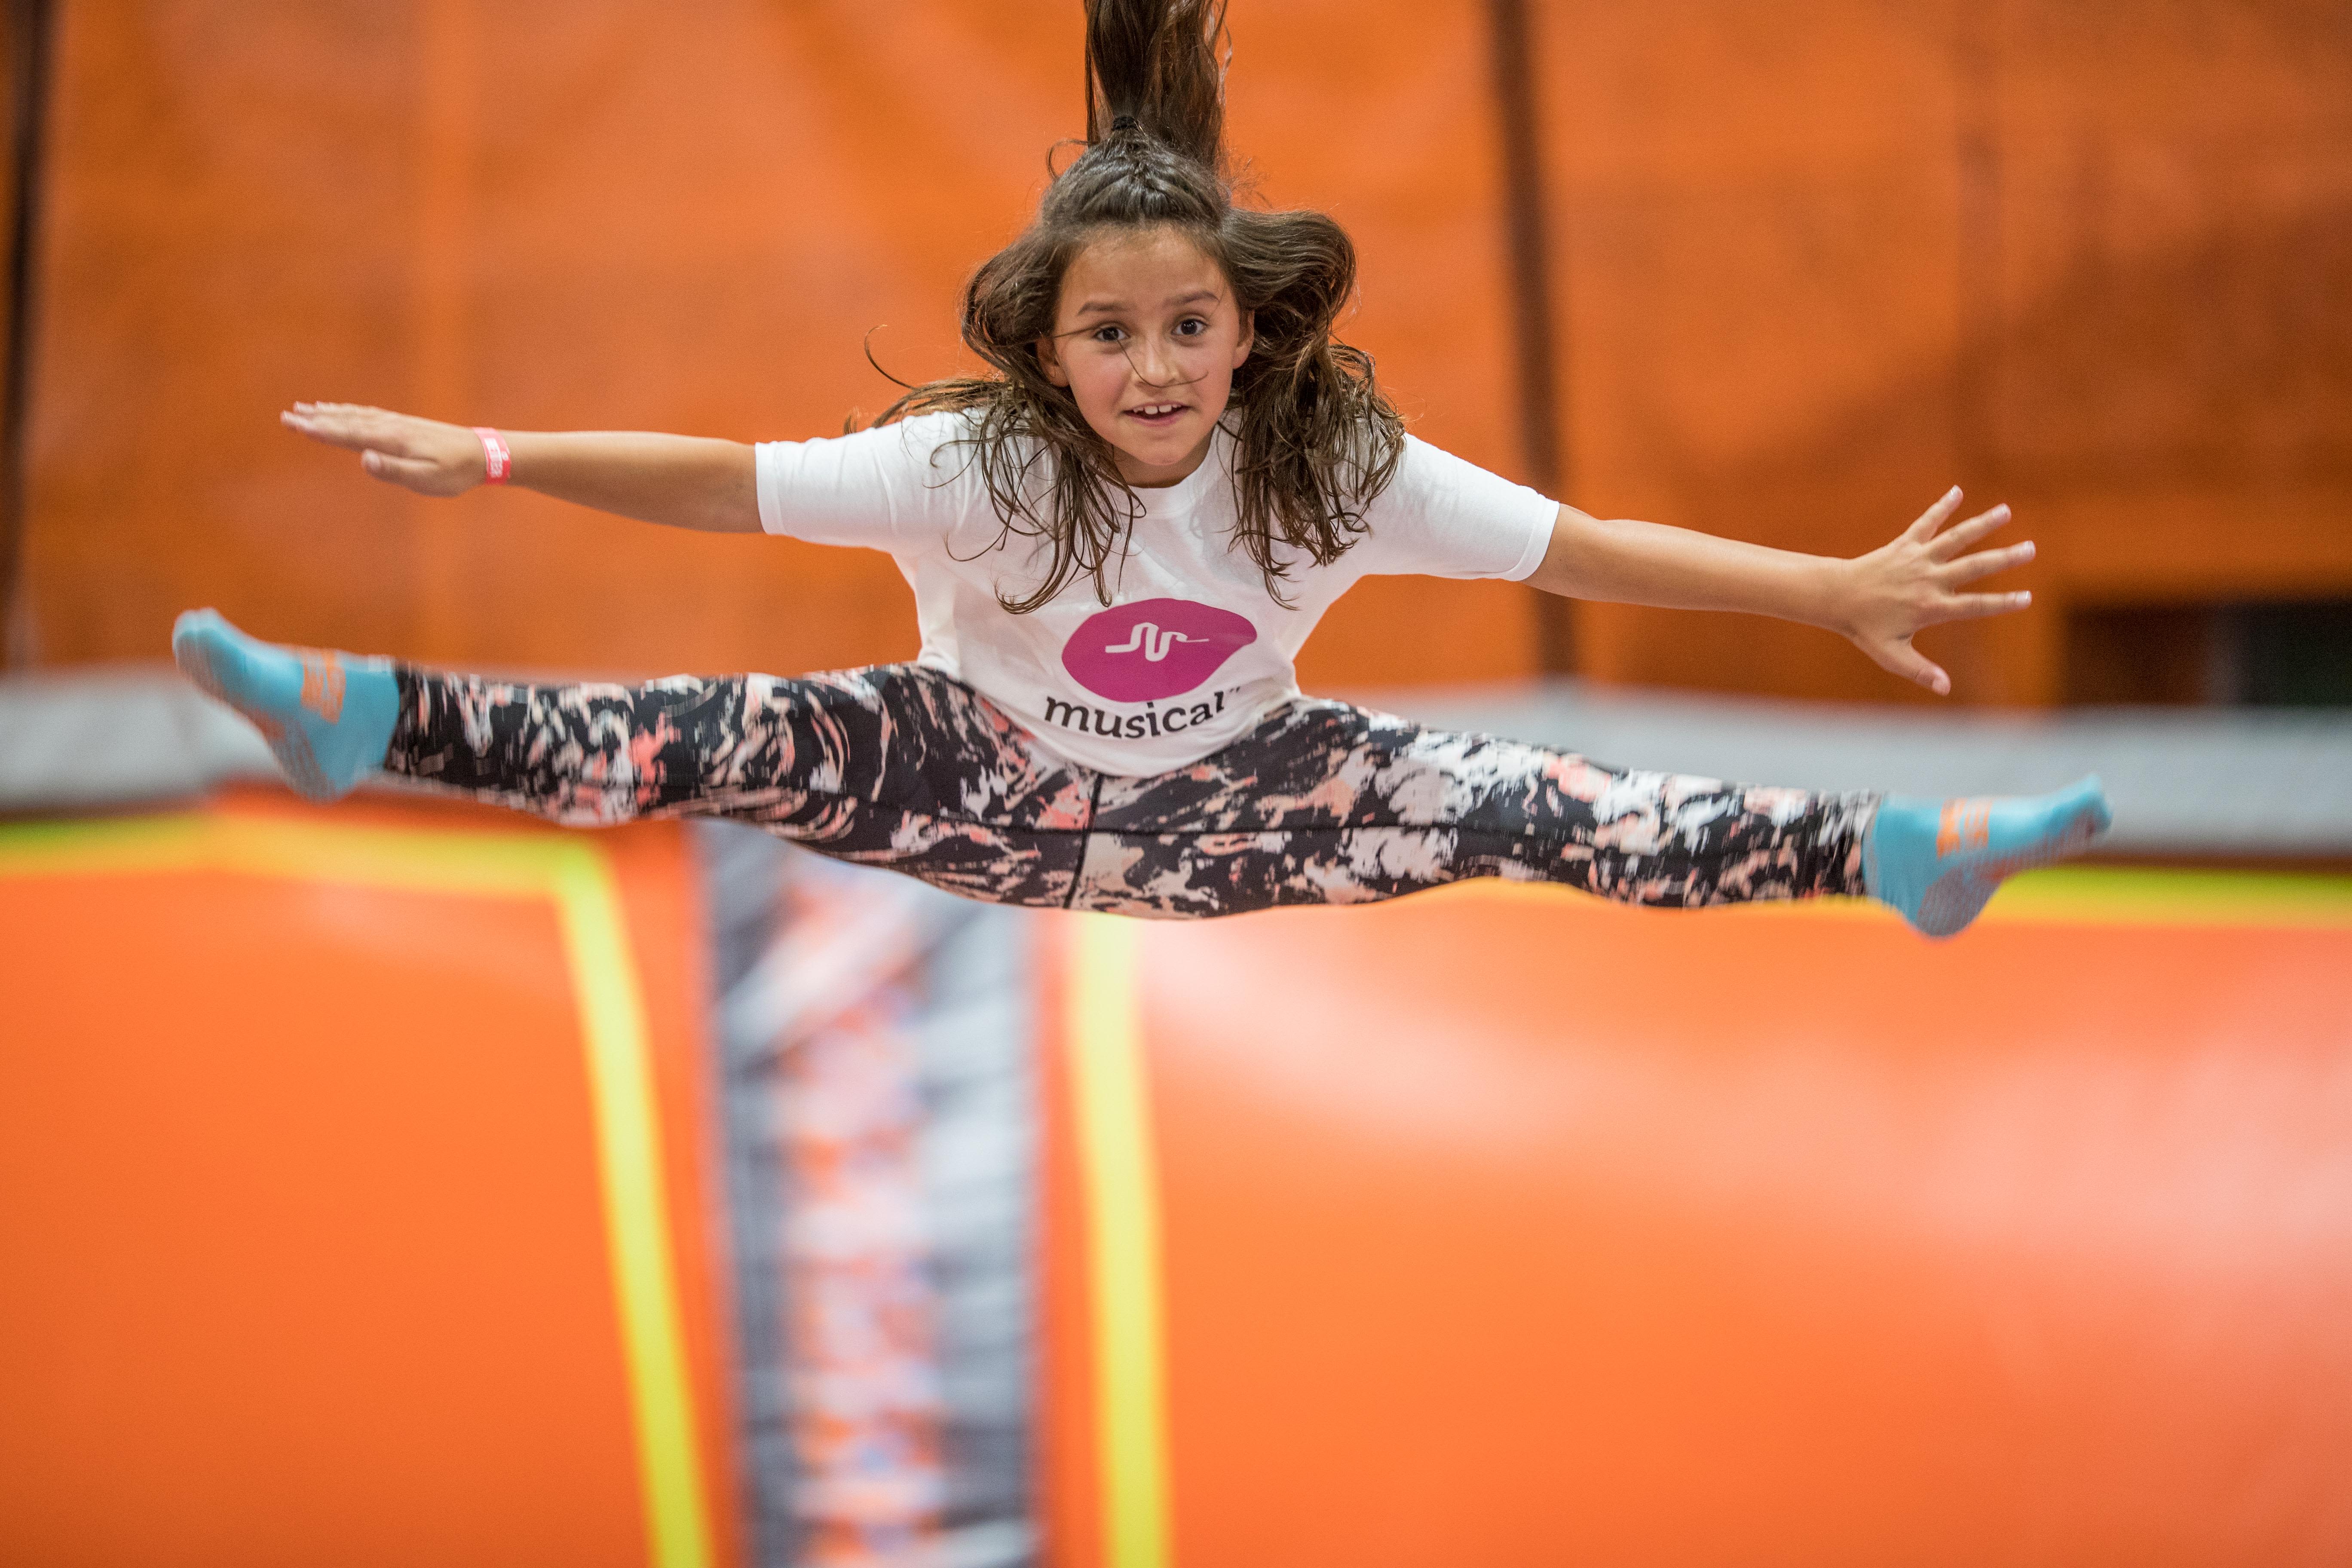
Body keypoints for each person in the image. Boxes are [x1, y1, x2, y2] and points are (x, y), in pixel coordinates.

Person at [173, 0, 2107, 939]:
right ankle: (374, 721)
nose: (1155, 368)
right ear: (1049, 350)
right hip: (974, 779)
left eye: (1189, 328)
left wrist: (1830, 588)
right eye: (1111, 337)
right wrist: (492, 455)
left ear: (1248, 328)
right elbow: (720, 479)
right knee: (722, 724)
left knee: (1537, 798)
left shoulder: (1328, 470)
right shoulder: (978, 469)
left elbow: (1587, 553)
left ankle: (1886, 854)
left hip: (1240, 810)